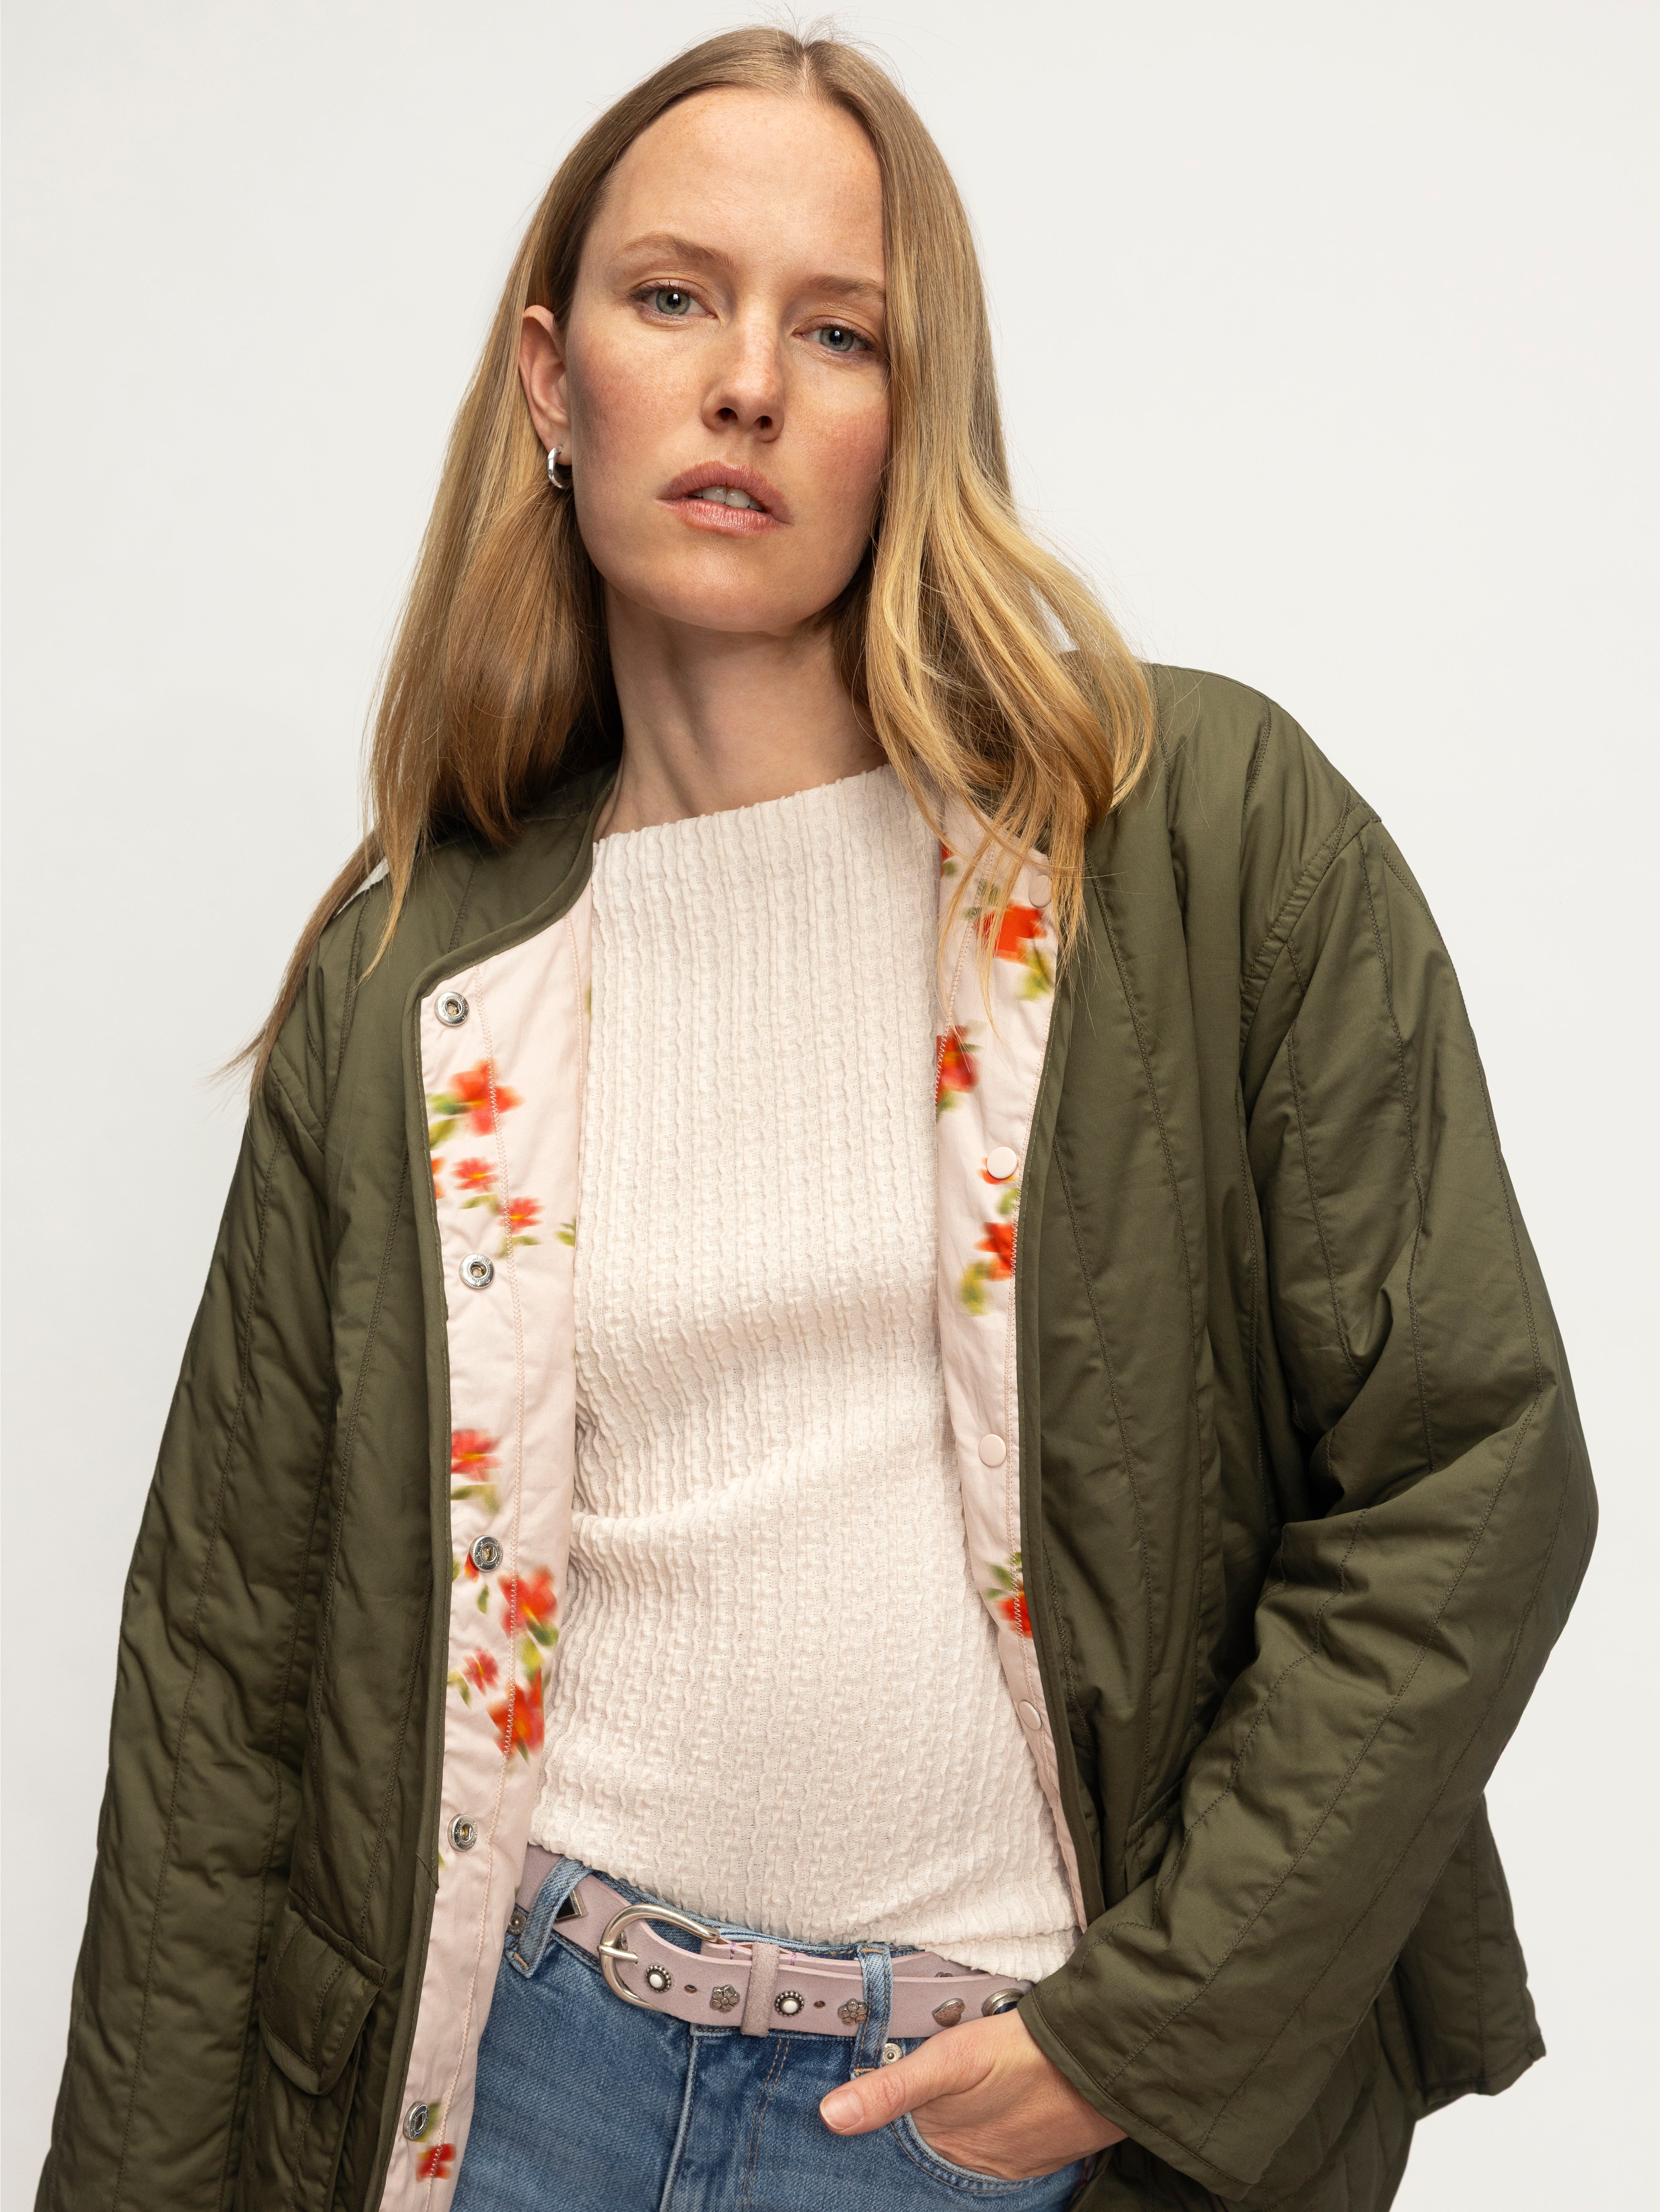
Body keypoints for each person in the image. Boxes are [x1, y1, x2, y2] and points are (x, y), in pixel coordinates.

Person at [39, 27, 1594, 2212]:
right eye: (674, 296)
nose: (748, 381)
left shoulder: (1197, 840)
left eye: (838, 328)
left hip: (981, 2119)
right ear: (554, 380)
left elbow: (1467, 1477)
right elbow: (226, 1675)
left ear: (909, 412)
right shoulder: (413, 975)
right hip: (519, 2081)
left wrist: (1132, 2038)